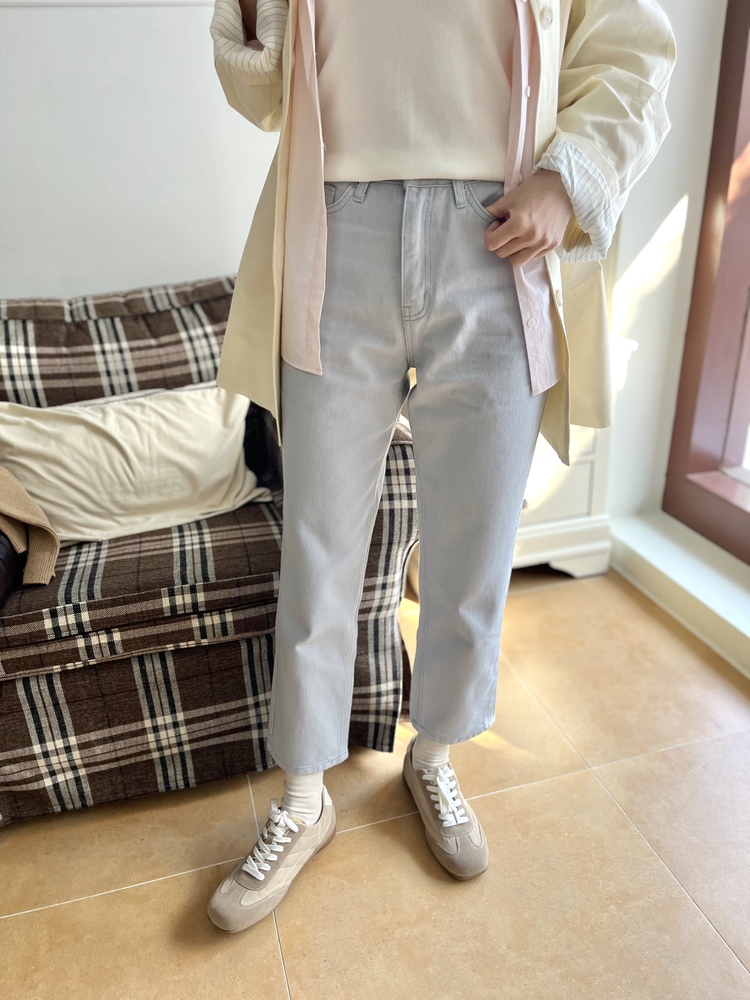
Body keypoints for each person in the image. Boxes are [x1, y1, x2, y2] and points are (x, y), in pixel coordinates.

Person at [206, 0, 676, 934]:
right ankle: (304, 795)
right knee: (317, 544)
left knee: (475, 542)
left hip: (498, 234)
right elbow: (260, 95)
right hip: (336, 227)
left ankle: (436, 757)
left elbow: (633, 49)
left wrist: (569, 179)